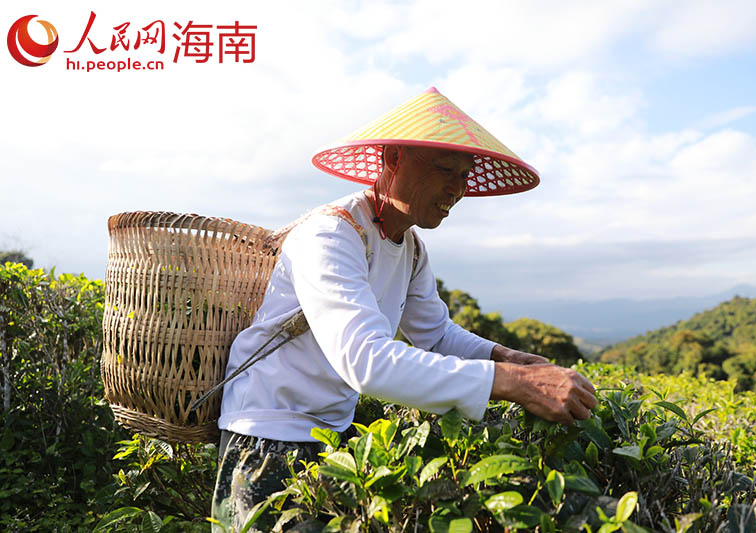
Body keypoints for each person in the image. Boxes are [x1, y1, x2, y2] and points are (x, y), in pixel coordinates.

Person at [211, 87, 597, 531]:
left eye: (464, 174)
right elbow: (367, 361)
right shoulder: (330, 236)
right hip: (267, 439)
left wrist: (503, 357)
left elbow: (436, 335)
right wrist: (514, 384)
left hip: (331, 443)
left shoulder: (409, 247)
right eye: (444, 168)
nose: (458, 188)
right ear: (393, 159)